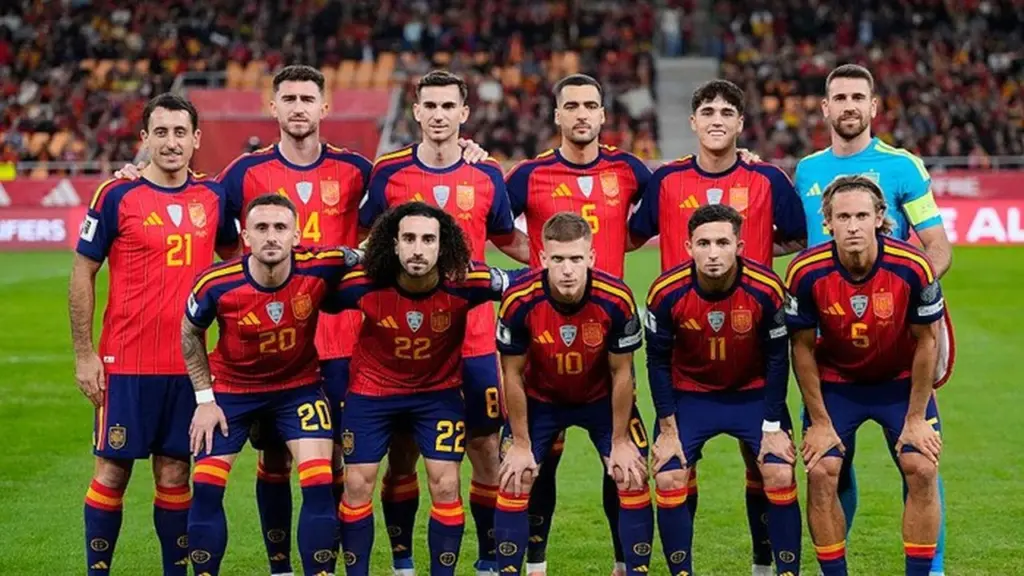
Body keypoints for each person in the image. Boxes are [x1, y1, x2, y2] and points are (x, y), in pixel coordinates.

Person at [114, 64, 491, 576]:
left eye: (307, 98)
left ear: (324, 107)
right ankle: (280, 565)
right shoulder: (244, 173)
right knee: (275, 458)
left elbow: (385, 228)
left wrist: (467, 150)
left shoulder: (359, 169)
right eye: (288, 98)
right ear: (273, 107)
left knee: (337, 465)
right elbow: (196, 199)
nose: (298, 108)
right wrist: (141, 175)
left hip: (344, 343)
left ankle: (330, 563)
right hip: (277, 344)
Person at [628, 79, 806, 576]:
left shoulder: (766, 178)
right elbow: (632, 235)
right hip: (685, 351)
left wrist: (754, 266)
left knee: (765, 464)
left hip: (752, 348)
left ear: (741, 123)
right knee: (674, 471)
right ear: (693, 122)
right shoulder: (666, 180)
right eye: (707, 111)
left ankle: (765, 563)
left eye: (727, 112)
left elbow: (800, 237)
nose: (717, 120)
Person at [790, 64, 953, 576]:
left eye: (858, 97)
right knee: (830, 469)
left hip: (893, 336)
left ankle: (932, 568)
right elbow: (793, 243)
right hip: (830, 344)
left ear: (873, 106)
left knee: (918, 460)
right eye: (839, 98)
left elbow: (937, 245)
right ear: (825, 108)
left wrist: (911, 296)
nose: (849, 106)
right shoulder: (807, 171)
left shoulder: (902, 166)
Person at [359, 69, 520, 576]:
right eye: (429, 105)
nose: (438, 115)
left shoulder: (486, 173)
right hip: (405, 339)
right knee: (403, 451)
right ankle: (403, 559)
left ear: (464, 113)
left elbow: (507, 238)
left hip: (473, 339)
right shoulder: (389, 172)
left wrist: (560, 266)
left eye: (448, 106)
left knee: (485, 447)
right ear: (416, 112)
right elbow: (367, 242)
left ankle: (489, 557)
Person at [69, 93, 237, 576]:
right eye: (160, 132)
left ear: (196, 139)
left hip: (188, 369)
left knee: (175, 473)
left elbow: (235, 266)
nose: (171, 142)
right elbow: (83, 271)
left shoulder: (213, 198)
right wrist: (84, 354)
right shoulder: (116, 195)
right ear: (144, 138)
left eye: (180, 132)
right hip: (125, 362)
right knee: (112, 471)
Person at [502, 73, 653, 576]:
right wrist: (540, 263)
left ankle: (623, 563)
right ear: (557, 115)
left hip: (606, 334)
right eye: (572, 106)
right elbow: (496, 225)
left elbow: (655, 215)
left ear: (603, 114)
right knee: (538, 463)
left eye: (591, 105)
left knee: (624, 466)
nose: (582, 114)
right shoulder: (529, 174)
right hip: (545, 336)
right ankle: (535, 564)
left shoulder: (628, 169)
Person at [181, 193, 361, 575]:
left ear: (297, 235)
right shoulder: (216, 283)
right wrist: (205, 400)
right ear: (245, 236)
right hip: (231, 391)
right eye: (261, 228)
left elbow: (367, 256)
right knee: (207, 488)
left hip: (298, 388)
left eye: (281, 227)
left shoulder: (322, 265)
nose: (271, 236)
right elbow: (190, 333)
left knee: (318, 481)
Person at [333, 202, 511, 576]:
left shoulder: (467, 282)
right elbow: (308, 289)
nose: (418, 249)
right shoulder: (362, 283)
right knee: (357, 485)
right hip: (371, 394)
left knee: (446, 486)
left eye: (428, 239)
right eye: (409, 238)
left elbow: (525, 284)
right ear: (393, 243)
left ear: (442, 246)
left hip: (437, 395)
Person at [644, 204, 802, 575]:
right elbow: (656, 362)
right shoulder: (666, 293)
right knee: (668, 474)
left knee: (779, 472)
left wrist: (772, 428)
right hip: (690, 396)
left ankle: (771, 569)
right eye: (704, 243)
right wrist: (667, 430)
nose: (713, 253)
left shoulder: (766, 289)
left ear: (739, 246)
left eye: (722, 243)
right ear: (688, 247)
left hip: (753, 395)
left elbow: (778, 360)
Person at [494, 212, 654, 574]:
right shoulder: (519, 300)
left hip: (601, 402)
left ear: (591, 258)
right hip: (540, 401)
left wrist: (619, 441)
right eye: (558, 259)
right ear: (542, 258)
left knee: (630, 473)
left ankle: (626, 568)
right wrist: (520, 443)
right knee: (515, 477)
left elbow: (622, 372)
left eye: (576, 259)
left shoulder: (616, 299)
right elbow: (512, 374)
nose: (567, 270)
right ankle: (520, 570)